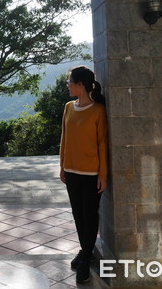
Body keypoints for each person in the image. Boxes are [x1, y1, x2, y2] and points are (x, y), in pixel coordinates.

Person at [59, 65, 108, 284]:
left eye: (69, 82)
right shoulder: (69, 107)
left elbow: (102, 144)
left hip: (91, 173)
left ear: (80, 85)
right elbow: (64, 139)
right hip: (71, 172)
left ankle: (85, 258)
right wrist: (62, 166)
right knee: (78, 215)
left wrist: (103, 174)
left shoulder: (98, 110)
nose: (67, 85)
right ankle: (85, 251)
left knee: (90, 216)